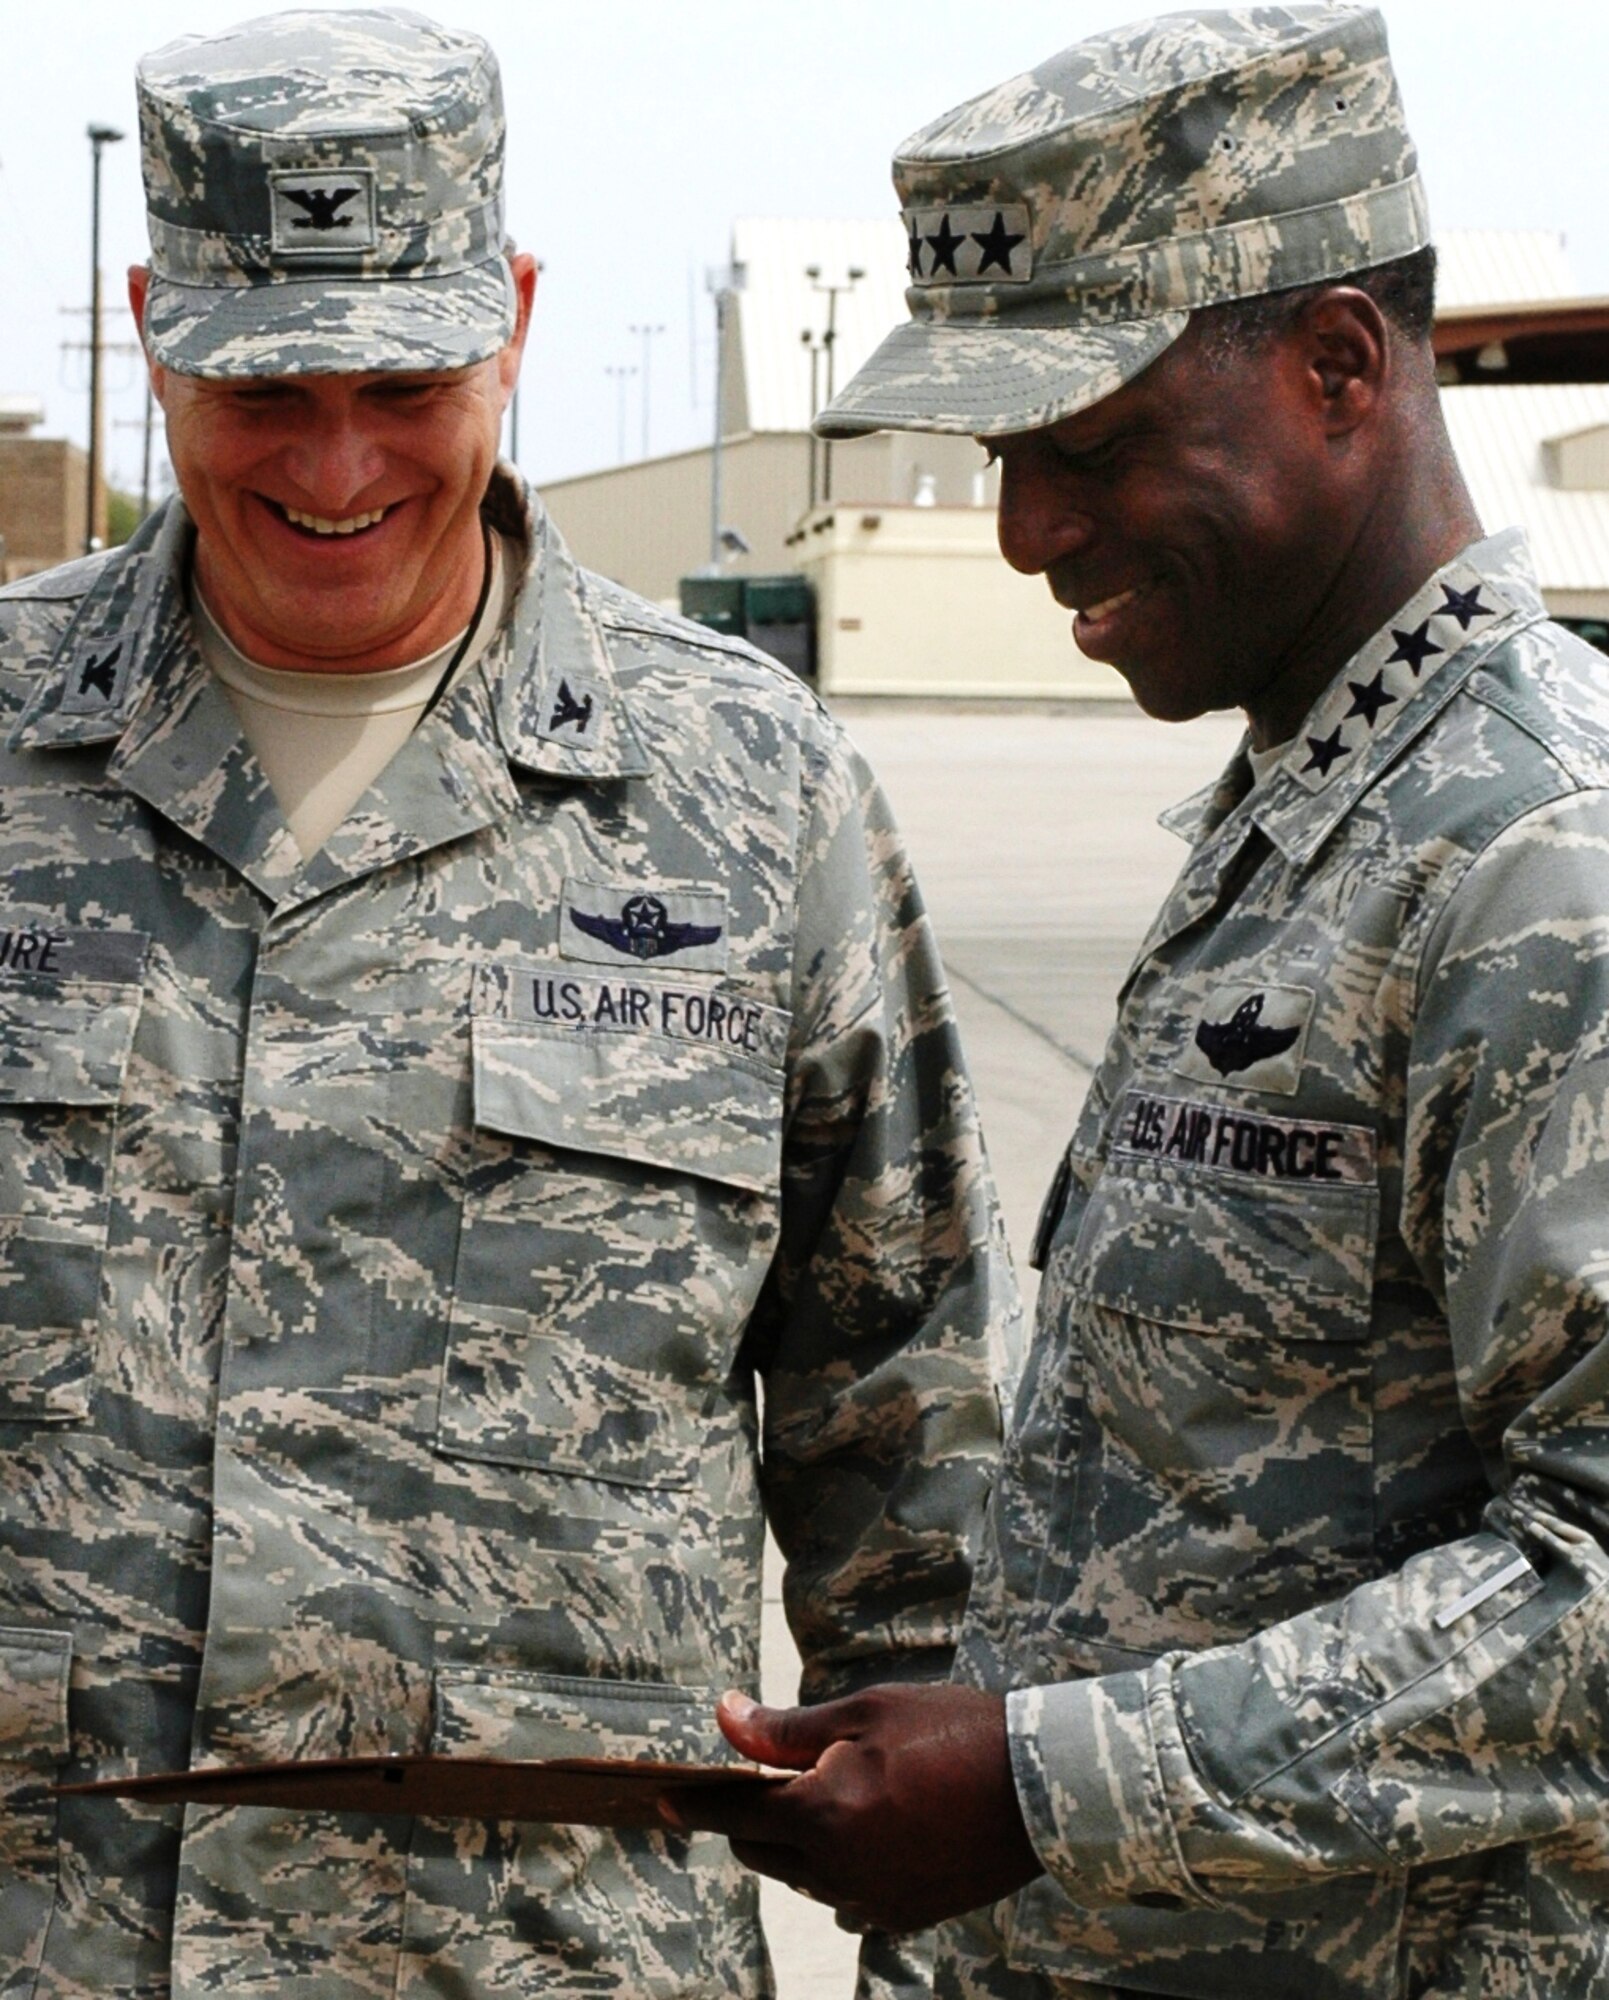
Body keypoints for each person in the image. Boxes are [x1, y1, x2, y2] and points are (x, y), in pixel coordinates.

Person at [0, 11, 1011, 1994]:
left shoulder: (753, 792)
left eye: (405, 378)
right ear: (152, 325)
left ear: (520, 319)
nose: (339, 459)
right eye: (267, 385)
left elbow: (916, 1462)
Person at [670, 7, 1609, 1996]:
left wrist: (1044, 1782)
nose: (1025, 528)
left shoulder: (1538, 857)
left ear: (1339, 366)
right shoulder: (1322, 799)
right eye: (1006, 453)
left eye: (1085, 443)